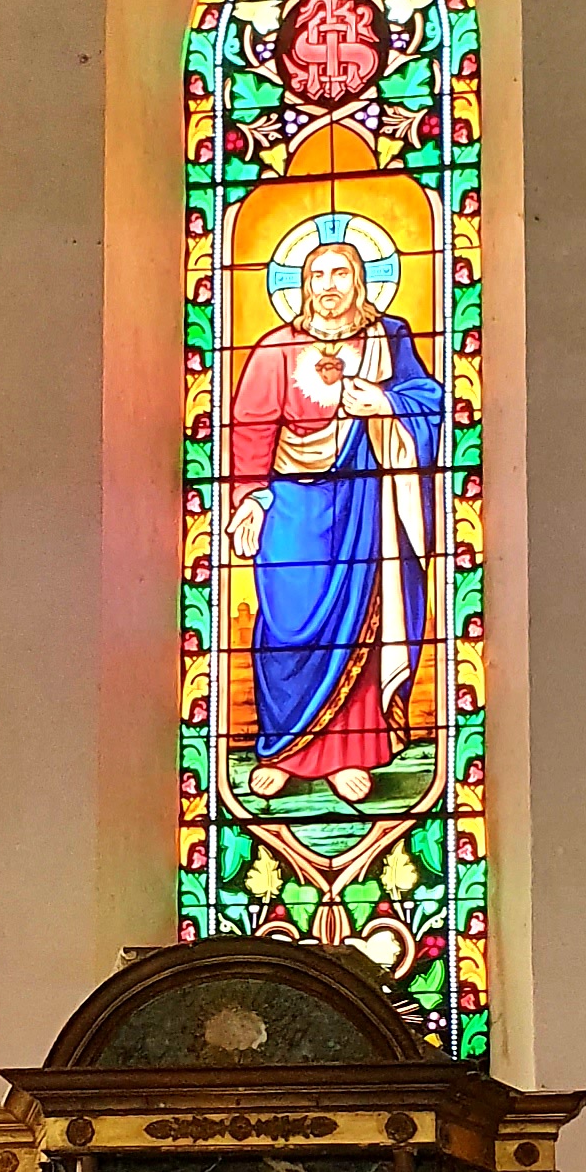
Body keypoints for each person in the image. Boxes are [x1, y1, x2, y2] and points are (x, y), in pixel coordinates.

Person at [226, 237, 444, 804]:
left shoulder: (387, 339)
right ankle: (281, 749)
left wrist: (385, 403)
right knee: (286, 623)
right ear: (302, 286)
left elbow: (429, 399)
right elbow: (250, 427)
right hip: (291, 504)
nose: (328, 286)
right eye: (317, 275)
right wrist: (249, 498)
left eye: (340, 273)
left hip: (362, 498)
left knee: (359, 618)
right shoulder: (275, 350)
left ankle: (350, 751)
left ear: (360, 282)